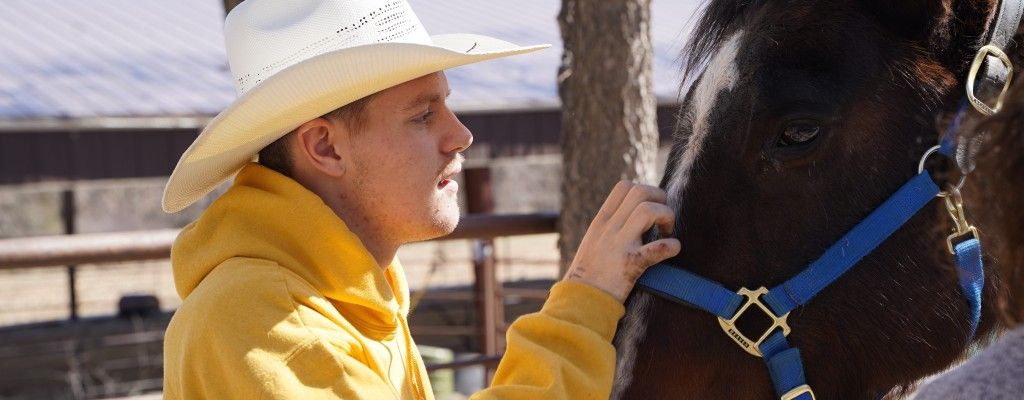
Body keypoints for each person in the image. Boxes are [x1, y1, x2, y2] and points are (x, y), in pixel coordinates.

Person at [160, 1, 680, 399]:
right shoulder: (269, 324)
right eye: (422, 115)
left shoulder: (334, 294)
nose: (461, 135)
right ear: (324, 146)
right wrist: (585, 300)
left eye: (445, 106)